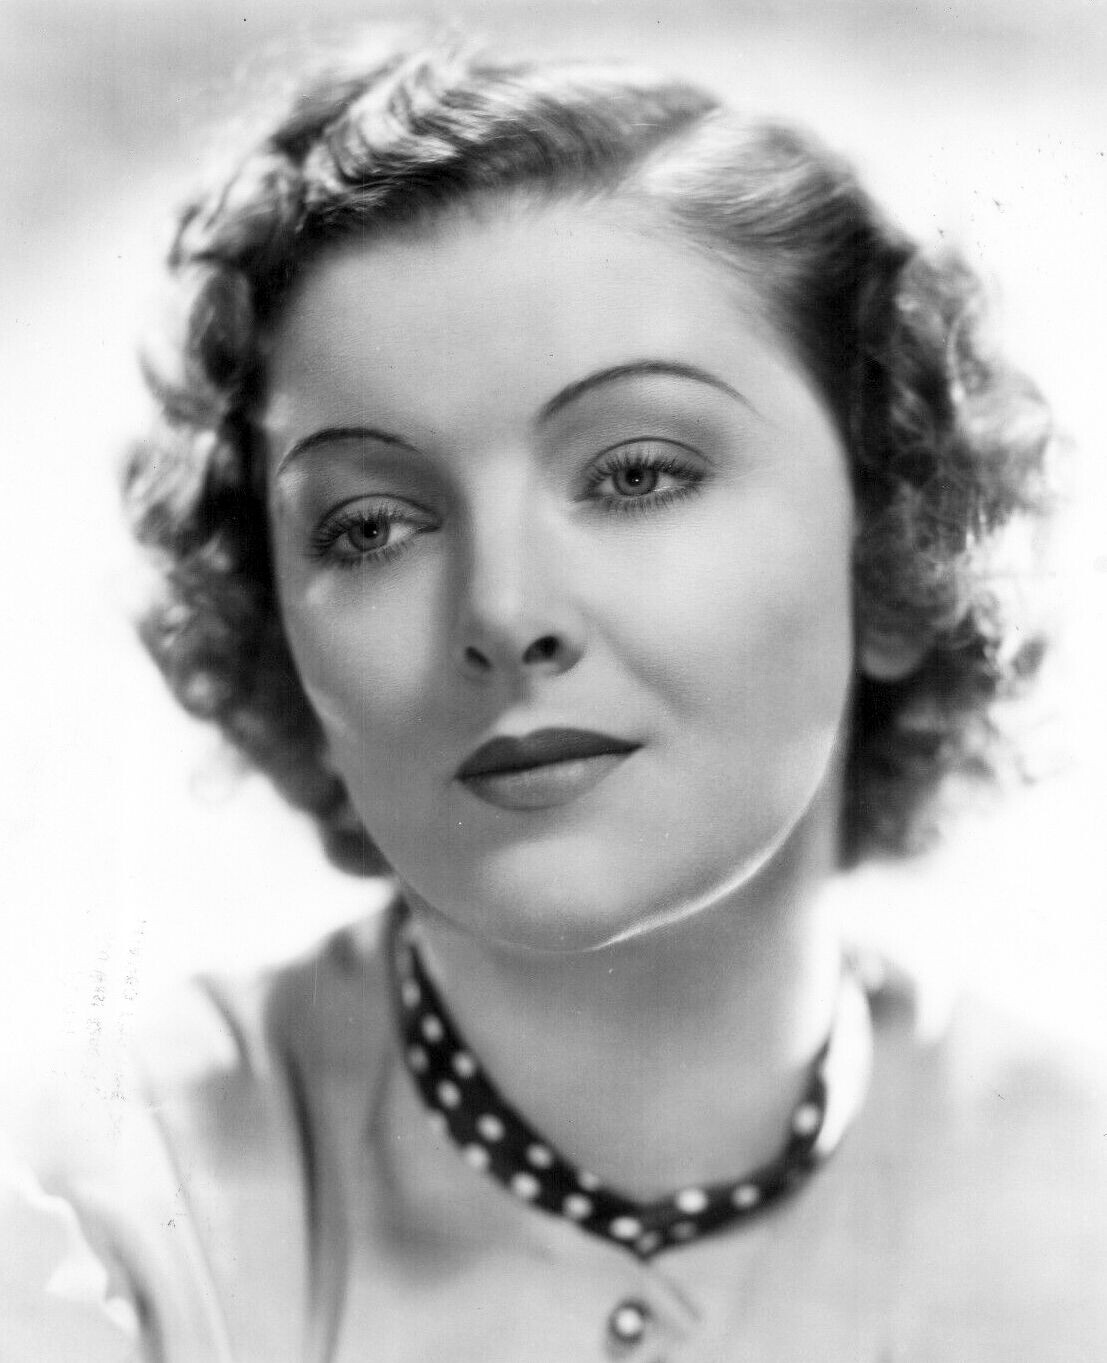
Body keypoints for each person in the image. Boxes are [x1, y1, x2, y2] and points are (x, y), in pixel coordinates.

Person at [4, 30, 1104, 1363]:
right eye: (369, 527)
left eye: (637, 474)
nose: (504, 612)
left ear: (889, 544)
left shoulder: (1076, 1214)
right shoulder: (109, 1216)